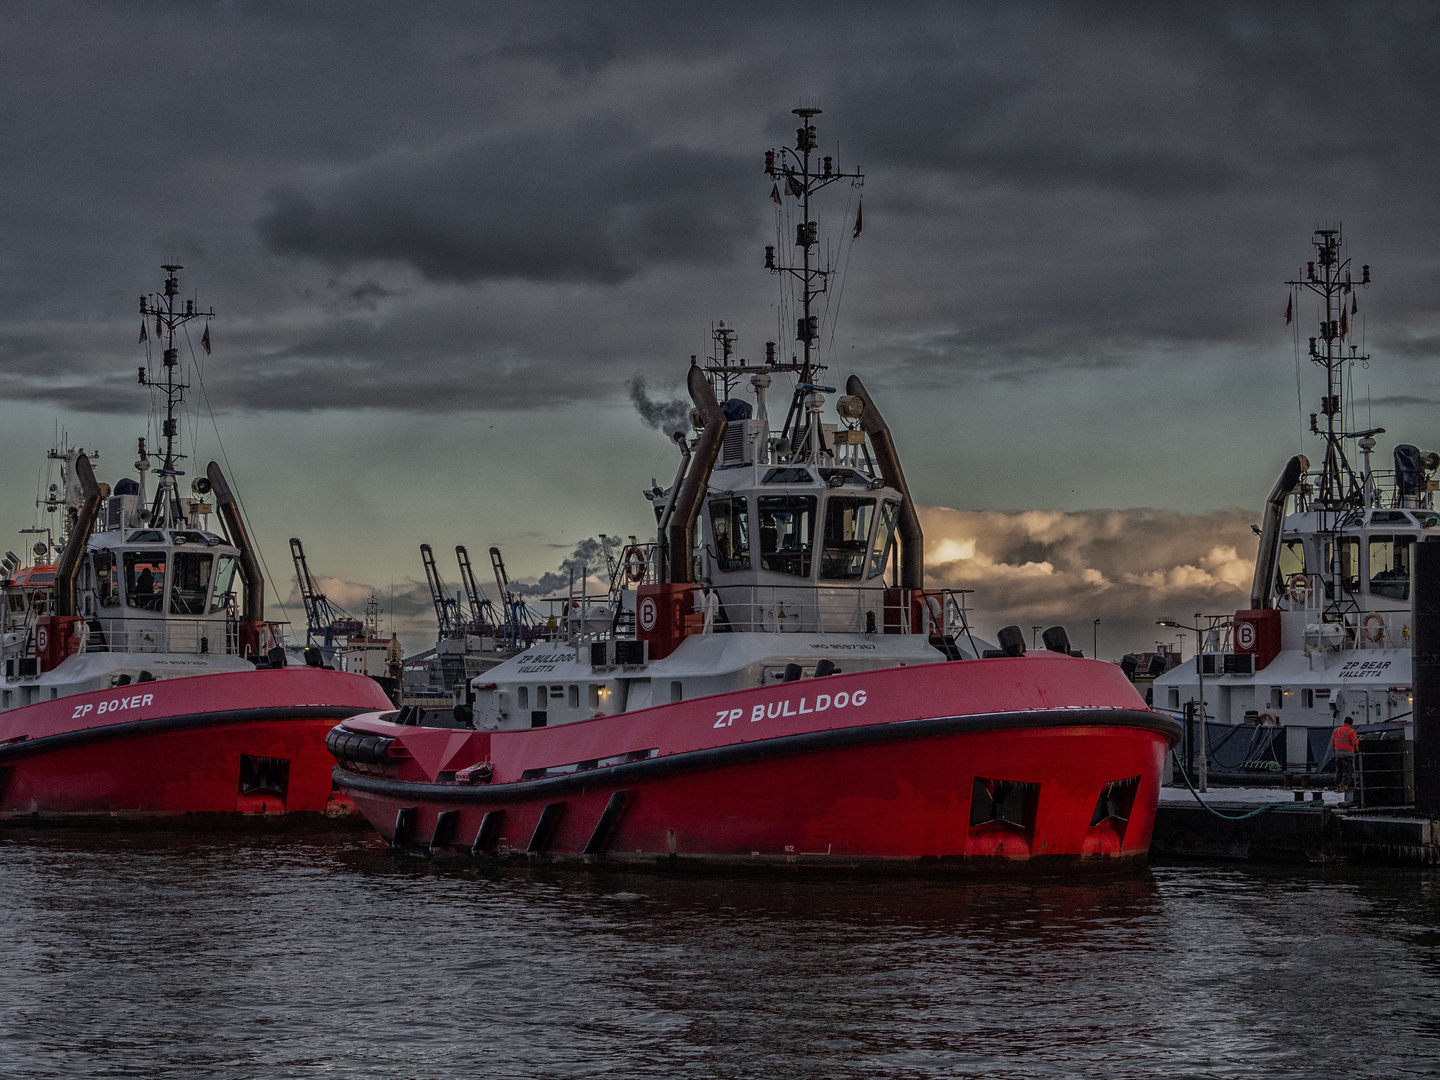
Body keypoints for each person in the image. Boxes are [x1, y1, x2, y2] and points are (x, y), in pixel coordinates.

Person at [1332, 715, 1360, 792]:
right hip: (1348, 754)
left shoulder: (1336, 730)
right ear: (1351, 723)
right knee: (1347, 771)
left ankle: (1338, 786)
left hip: (1338, 754)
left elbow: (1333, 743)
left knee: (1339, 770)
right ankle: (1345, 786)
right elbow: (1355, 743)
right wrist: (1358, 748)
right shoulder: (1351, 731)